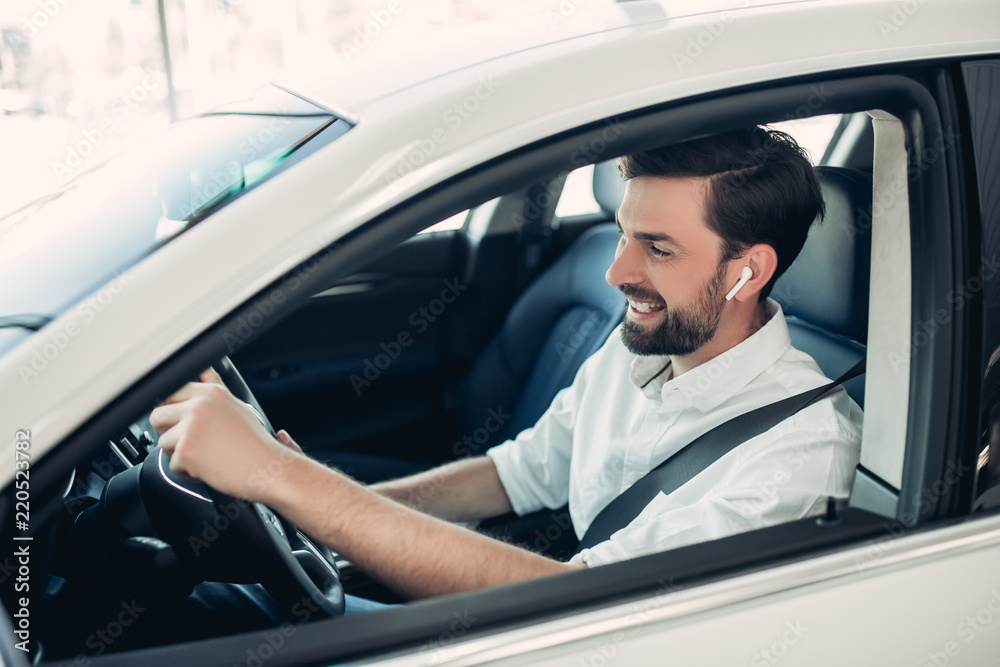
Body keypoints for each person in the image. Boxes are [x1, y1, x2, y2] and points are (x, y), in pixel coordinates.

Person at [149, 126, 862, 602]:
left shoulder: (797, 452)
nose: (617, 272)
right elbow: (510, 474)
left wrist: (284, 478)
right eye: (621, 235)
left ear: (748, 271)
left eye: (659, 248)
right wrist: (309, 509)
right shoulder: (642, 343)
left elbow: (578, 601)